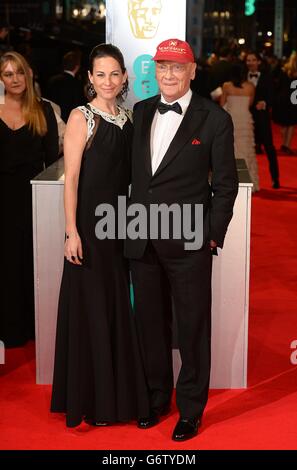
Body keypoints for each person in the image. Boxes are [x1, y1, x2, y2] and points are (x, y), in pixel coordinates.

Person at [125, 38, 238, 441]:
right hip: (142, 237)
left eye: (177, 67)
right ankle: (157, 398)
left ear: (192, 71)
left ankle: (190, 410)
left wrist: (212, 235)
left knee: (191, 328)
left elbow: (225, 185)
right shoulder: (139, 111)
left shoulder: (214, 119)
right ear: (154, 71)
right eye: (162, 67)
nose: (169, 75)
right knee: (150, 324)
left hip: (190, 240)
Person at [50, 44, 149, 427]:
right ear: (89, 78)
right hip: (90, 231)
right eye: (100, 74)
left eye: (114, 73)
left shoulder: (128, 118)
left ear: (125, 76)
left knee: (116, 309)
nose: (108, 81)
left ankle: (117, 396)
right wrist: (71, 232)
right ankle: (93, 400)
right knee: (92, 310)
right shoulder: (82, 118)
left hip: (120, 226)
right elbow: (70, 179)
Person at [0, 51, 59, 347]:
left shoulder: (44, 110)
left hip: (31, 198)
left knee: (29, 262)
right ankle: (7, 328)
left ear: (29, 73)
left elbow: (52, 162)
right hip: (1, 200)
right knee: (4, 262)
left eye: (19, 72)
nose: (15, 79)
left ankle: (31, 327)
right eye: (8, 74)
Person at [221, 63, 259, 192]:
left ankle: (230, 182)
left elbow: (222, 105)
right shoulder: (251, 87)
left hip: (231, 120)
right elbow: (250, 104)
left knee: (230, 149)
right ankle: (248, 183)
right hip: (245, 120)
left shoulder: (227, 86)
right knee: (246, 149)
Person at [246, 51, 280, 189]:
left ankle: (275, 178)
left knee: (269, 147)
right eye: (248, 60)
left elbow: (273, 96)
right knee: (246, 147)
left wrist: (265, 103)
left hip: (262, 117)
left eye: (253, 60)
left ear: (259, 62)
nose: (250, 62)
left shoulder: (267, 77)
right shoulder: (242, 77)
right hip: (246, 116)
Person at [46, 51, 85, 122]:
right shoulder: (77, 84)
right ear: (77, 67)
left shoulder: (52, 80)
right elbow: (78, 107)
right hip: (70, 122)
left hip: (53, 120)